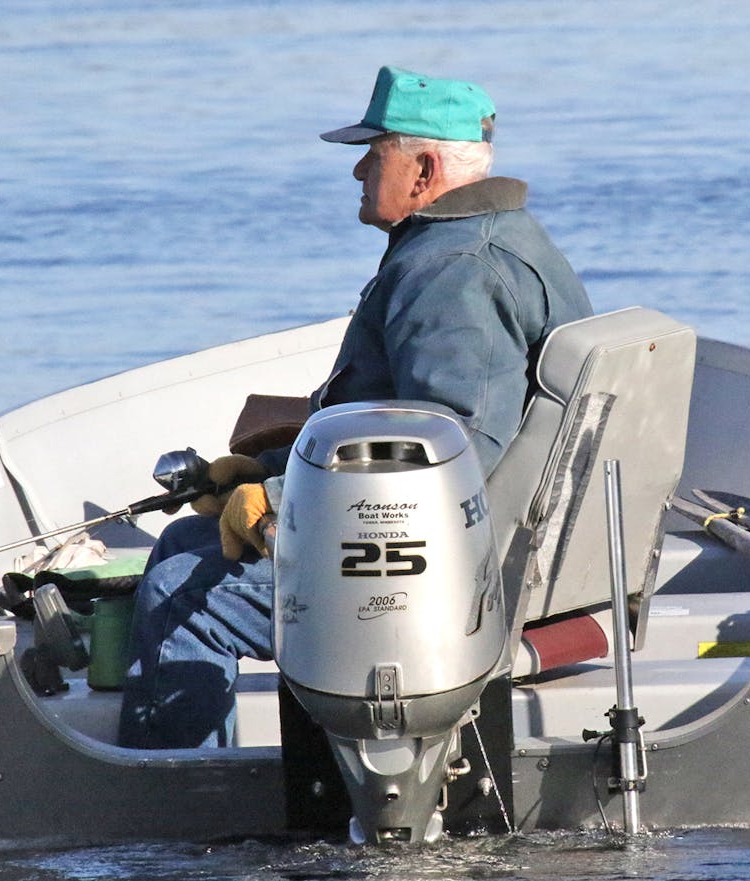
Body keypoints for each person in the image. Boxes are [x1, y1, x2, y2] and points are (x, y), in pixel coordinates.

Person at [118, 66, 593, 749]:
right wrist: (259, 470)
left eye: (374, 156)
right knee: (180, 544)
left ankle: (165, 813)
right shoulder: (485, 240)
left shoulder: (457, 273)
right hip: (445, 539)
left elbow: (452, 447)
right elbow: (392, 424)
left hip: (440, 570)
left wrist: (282, 502)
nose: (358, 173)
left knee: (183, 594)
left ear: (425, 168)